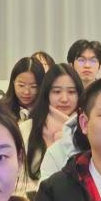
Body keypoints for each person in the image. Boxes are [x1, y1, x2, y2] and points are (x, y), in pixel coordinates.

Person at [24, 62, 83, 190]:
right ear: (47, 94)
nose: (64, 99)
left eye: (71, 92)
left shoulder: (87, 130)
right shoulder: (26, 129)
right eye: (56, 91)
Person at [3, 56, 40, 122]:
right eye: (21, 85)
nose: (26, 92)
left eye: (33, 86)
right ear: (13, 82)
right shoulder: (0, 110)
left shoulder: (48, 111)